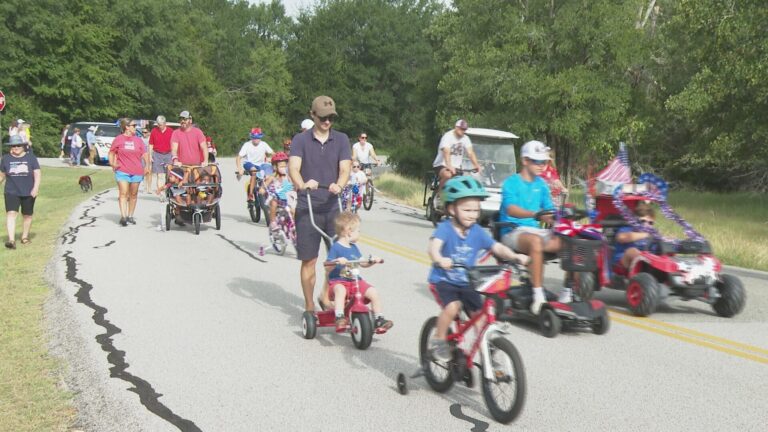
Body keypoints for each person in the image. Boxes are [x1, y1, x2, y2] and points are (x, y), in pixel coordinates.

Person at [427, 176, 528, 360]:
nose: (472, 214)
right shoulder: (445, 228)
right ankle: (439, 339)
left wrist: (514, 256)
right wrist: (440, 258)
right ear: (451, 209)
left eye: (475, 210)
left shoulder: (477, 231)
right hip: (443, 280)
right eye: (467, 210)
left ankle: (487, 355)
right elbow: (434, 246)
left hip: (467, 282)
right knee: (453, 307)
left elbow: (496, 247)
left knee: (480, 317)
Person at [289, 95, 352, 313]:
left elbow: (345, 169)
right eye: (323, 118)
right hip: (308, 207)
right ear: (313, 115)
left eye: (331, 118)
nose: (327, 122)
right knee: (309, 260)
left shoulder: (342, 139)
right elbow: (294, 168)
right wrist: (303, 184)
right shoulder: (301, 140)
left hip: (332, 206)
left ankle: (325, 296)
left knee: (337, 257)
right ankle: (308, 306)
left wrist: (339, 184)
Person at [499, 140, 570, 314]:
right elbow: (511, 209)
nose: (542, 165)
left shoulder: (542, 185)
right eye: (537, 161)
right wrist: (534, 214)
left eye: (544, 162)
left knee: (571, 240)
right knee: (536, 242)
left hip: (535, 232)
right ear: (525, 161)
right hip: (512, 230)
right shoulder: (511, 183)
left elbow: (549, 212)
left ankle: (568, 293)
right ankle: (538, 297)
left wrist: (561, 220)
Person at [326, 211, 393, 332]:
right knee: (340, 290)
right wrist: (337, 261)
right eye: (358, 231)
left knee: (373, 292)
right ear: (349, 231)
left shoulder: (354, 248)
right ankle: (339, 317)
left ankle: (379, 319)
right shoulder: (336, 247)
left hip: (355, 282)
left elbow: (362, 263)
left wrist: (372, 261)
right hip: (339, 283)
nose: (359, 233)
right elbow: (327, 266)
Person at [1, 135, 41, 249]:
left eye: (18, 145)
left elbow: (37, 174)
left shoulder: (31, 158)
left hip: (28, 191)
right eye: (13, 145)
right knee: (11, 213)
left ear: (23, 146)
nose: (16, 147)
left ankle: (24, 237)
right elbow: (2, 175)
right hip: (11, 191)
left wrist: (35, 188)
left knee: (27, 215)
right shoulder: (6, 158)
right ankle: (11, 240)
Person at [109, 118, 150, 226]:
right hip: (122, 170)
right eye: (133, 126)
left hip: (136, 171)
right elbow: (111, 153)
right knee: (123, 193)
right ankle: (123, 216)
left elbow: (145, 154)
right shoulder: (118, 139)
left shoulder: (138, 140)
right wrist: (112, 164)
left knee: (133, 194)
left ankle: (130, 215)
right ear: (127, 127)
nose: (135, 128)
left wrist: (147, 166)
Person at [431, 119, 482, 200]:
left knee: (463, 182)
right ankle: (440, 195)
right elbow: (446, 152)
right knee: (448, 175)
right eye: (462, 129)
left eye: (465, 129)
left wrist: (476, 165)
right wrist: (449, 166)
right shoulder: (447, 136)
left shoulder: (465, 138)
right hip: (441, 164)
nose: (463, 131)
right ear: (456, 127)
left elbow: (470, 152)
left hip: (456, 167)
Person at [613, 202, 656, 271]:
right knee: (632, 251)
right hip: (622, 264)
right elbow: (621, 238)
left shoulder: (653, 234)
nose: (646, 225)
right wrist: (645, 235)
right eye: (643, 221)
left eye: (650, 223)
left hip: (648, 263)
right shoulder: (628, 229)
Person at [236, 127, 274, 201]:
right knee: (254, 171)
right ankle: (250, 194)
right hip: (249, 163)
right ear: (251, 137)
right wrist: (239, 168)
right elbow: (238, 157)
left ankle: (269, 192)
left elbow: (273, 153)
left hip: (261, 164)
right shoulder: (247, 145)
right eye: (254, 138)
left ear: (260, 137)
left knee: (268, 175)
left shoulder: (264, 144)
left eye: (258, 138)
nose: (256, 139)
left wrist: (271, 158)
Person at [263, 151, 295, 229]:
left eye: (285, 166)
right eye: (281, 166)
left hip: (287, 197)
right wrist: (262, 189)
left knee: (294, 210)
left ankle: (294, 224)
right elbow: (265, 185)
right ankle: (273, 222)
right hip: (276, 197)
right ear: (275, 167)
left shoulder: (288, 176)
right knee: (273, 203)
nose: (283, 168)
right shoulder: (272, 177)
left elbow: (294, 184)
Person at [149, 115, 174, 196]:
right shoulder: (154, 131)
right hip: (157, 154)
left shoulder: (171, 131)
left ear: (165, 123)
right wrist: (150, 155)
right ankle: (161, 193)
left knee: (169, 174)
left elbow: (174, 144)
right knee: (160, 175)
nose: (160, 126)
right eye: (158, 124)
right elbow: (151, 144)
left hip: (168, 154)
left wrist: (174, 155)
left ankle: (168, 190)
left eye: (161, 124)